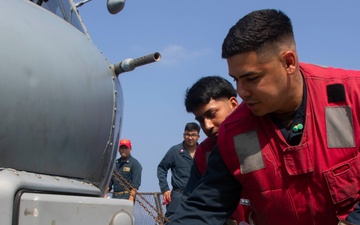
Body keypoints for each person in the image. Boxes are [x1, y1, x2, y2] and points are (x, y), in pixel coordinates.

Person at [169, 9, 360, 225]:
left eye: (252, 78)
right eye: (236, 80)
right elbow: (205, 207)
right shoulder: (234, 133)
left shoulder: (353, 97)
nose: (241, 92)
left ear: (289, 62)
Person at [183, 76, 250, 225]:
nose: (207, 126)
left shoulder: (262, 135)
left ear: (233, 104)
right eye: (200, 120)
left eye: (212, 114)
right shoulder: (203, 154)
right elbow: (192, 204)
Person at [157, 122, 200, 222]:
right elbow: (161, 168)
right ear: (183, 135)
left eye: (193, 135)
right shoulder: (175, 151)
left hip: (197, 197)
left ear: (198, 136)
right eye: (187, 134)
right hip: (178, 196)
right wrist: (165, 189)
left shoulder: (203, 152)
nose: (190, 137)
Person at [108, 139, 142, 203]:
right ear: (118, 149)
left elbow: (135, 185)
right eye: (121, 148)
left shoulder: (135, 164)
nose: (123, 150)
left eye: (126, 148)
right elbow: (109, 182)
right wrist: (104, 193)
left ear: (130, 149)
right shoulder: (115, 163)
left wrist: (131, 198)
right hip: (115, 197)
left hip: (126, 197)